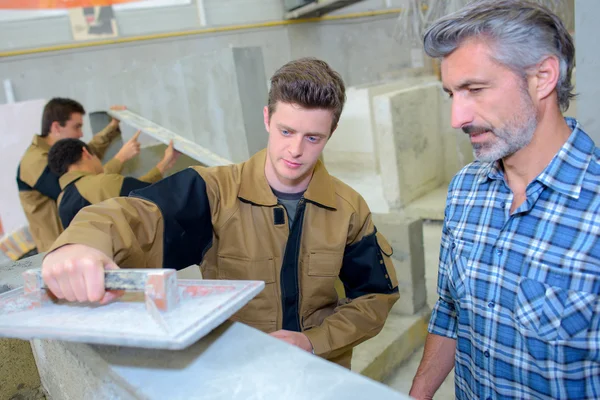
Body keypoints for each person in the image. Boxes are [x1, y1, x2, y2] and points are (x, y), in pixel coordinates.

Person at [41, 58, 400, 368]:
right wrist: (82, 244)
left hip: (322, 372)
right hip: (238, 370)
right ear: (266, 118)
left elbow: (375, 296)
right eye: (286, 130)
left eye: (313, 138)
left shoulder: (348, 207)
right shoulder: (214, 192)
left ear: (331, 132)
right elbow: (134, 214)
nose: (295, 150)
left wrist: (314, 341)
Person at [409, 1, 599, 399]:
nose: (457, 118)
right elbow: (449, 313)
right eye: (451, 94)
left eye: (475, 89)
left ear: (543, 76)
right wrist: (419, 394)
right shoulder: (464, 189)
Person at [16, 98, 142, 252]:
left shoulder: (53, 153)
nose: (81, 134)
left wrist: (112, 126)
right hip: (60, 251)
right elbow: (80, 187)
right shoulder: (34, 162)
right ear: (56, 127)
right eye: (77, 127)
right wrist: (120, 158)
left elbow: (85, 153)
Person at [48, 134, 180, 228]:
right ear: (85, 152)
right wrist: (165, 162)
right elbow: (148, 192)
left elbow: (129, 189)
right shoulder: (101, 184)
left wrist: (163, 165)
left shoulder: (62, 199)